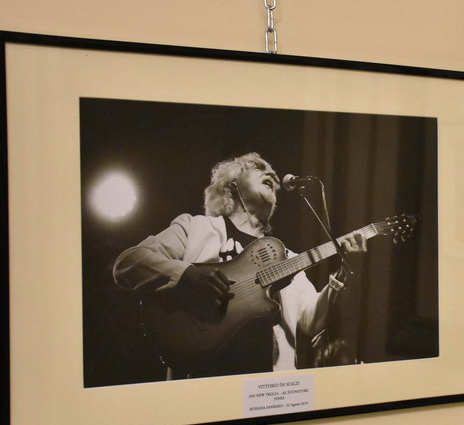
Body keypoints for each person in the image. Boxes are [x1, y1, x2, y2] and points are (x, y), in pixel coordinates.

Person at [113, 152, 365, 379]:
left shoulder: (288, 257)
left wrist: (344, 271)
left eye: (273, 175)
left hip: (268, 387)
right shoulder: (196, 228)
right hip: (201, 380)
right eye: (258, 167)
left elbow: (311, 322)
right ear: (232, 184)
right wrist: (187, 274)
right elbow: (129, 262)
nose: (271, 174)